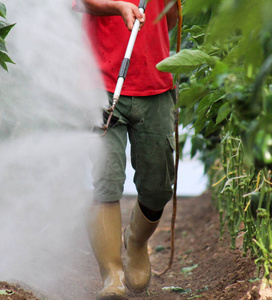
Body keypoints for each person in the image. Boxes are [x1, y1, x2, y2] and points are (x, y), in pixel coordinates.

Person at [74, 0, 179, 299]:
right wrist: (119, 7)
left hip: (154, 84)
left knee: (158, 187)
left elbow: (169, 16)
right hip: (100, 83)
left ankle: (135, 242)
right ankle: (112, 275)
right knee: (106, 180)